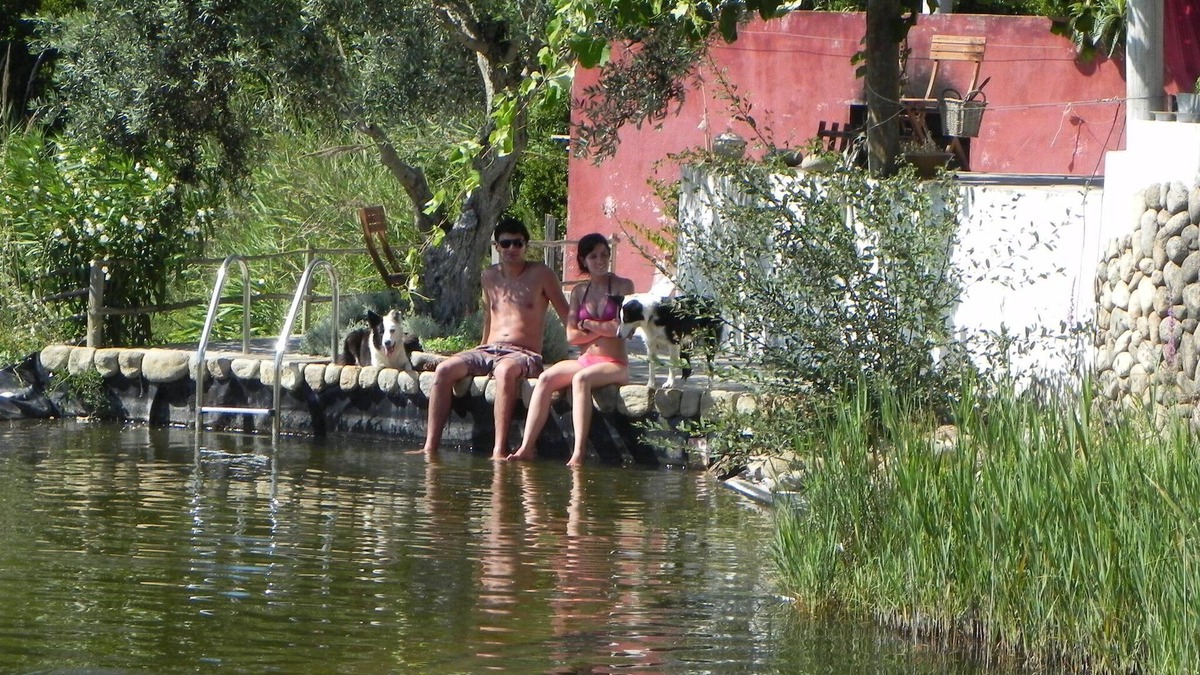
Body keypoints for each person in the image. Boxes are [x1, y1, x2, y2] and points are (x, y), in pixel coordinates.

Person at [421, 216, 570, 459]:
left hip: (523, 353)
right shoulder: (488, 276)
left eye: (518, 243)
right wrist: (478, 349)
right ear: (497, 246)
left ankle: (499, 449)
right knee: (444, 370)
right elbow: (489, 317)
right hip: (489, 349)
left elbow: (567, 316)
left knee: (504, 372)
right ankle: (430, 448)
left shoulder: (542, 274)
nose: (512, 248)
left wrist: (585, 350)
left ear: (526, 246)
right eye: (506, 243)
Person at [508, 233, 634, 466]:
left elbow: (623, 329)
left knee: (581, 380)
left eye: (604, 255)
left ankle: (578, 451)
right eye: (593, 256)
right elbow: (572, 336)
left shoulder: (622, 286)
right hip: (586, 359)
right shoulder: (579, 292)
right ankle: (527, 447)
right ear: (584, 260)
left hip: (614, 363)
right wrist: (602, 328)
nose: (600, 260)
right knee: (546, 378)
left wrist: (589, 325)